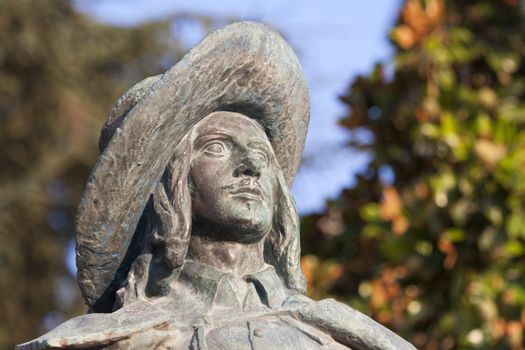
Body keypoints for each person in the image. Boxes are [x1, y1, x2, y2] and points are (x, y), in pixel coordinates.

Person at [18, 22, 416, 350]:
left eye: (262, 157)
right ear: (170, 186)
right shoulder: (107, 342)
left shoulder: (346, 338)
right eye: (218, 147)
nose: (250, 168)